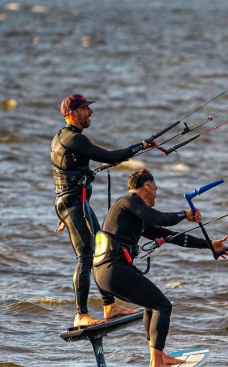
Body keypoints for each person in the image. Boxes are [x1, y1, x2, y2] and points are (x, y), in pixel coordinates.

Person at [93, 168, 228, 367]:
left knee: (153, 304)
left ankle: (157, 357)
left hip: (109, 272)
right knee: (162, 305)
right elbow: (159, 218)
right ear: (147, 187)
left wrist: (209, 245)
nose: (156, 194)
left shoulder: (137, 216)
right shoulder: (128, 202)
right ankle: (156, 365)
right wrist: (184, 215)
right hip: (113, 270)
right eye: (155, 189)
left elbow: (170, 235)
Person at [52, 94, 157, 327]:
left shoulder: (67, 138)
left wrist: (63, 213)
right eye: (85, 109)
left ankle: (109, 306)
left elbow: (64, 176)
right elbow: (110, 156)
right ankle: (81, 314)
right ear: (72, 113)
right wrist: (140, 146)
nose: (90, 112)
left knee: (101, 248)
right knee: (86, 256)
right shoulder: (73, 139)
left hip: (76, 204)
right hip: (73, 205)